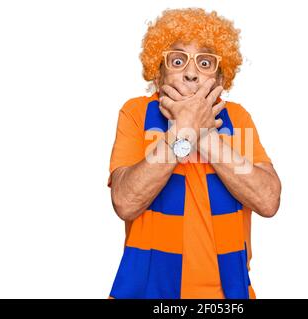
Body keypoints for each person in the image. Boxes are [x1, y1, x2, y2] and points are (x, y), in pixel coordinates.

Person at [107, 8, 281, 299]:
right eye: (177, 60)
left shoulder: (238, 119)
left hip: (228, 296)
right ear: (159, 71)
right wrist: (180, 134)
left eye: (204, 62)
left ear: (221, 77)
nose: (190, 73)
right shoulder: (136, 113)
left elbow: (267, 199)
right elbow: (125, 202)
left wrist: (202, 133)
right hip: (145, 292)